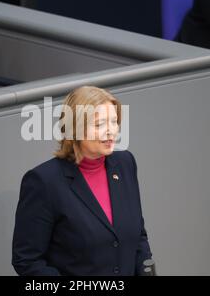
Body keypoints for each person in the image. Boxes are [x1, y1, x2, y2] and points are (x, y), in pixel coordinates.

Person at [12, 86, 152, 276]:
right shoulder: (44, 182)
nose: (111, 131)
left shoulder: (125, 163)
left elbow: (138, 237)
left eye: (114, 121)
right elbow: (27, 261)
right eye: (100, 124)